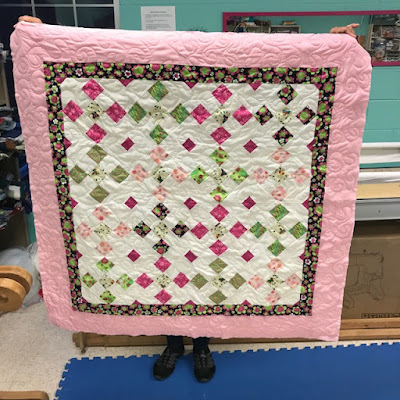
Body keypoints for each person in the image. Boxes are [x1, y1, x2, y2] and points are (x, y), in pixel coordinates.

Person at [15, 15, 360, 383]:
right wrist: (37, 35)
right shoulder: (163, 88)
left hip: (210, 196)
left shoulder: (216, 93)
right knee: (165, 265)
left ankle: (202, 345)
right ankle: (173, 344)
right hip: (160, 197)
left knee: (207, 265)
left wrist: (335, 45)